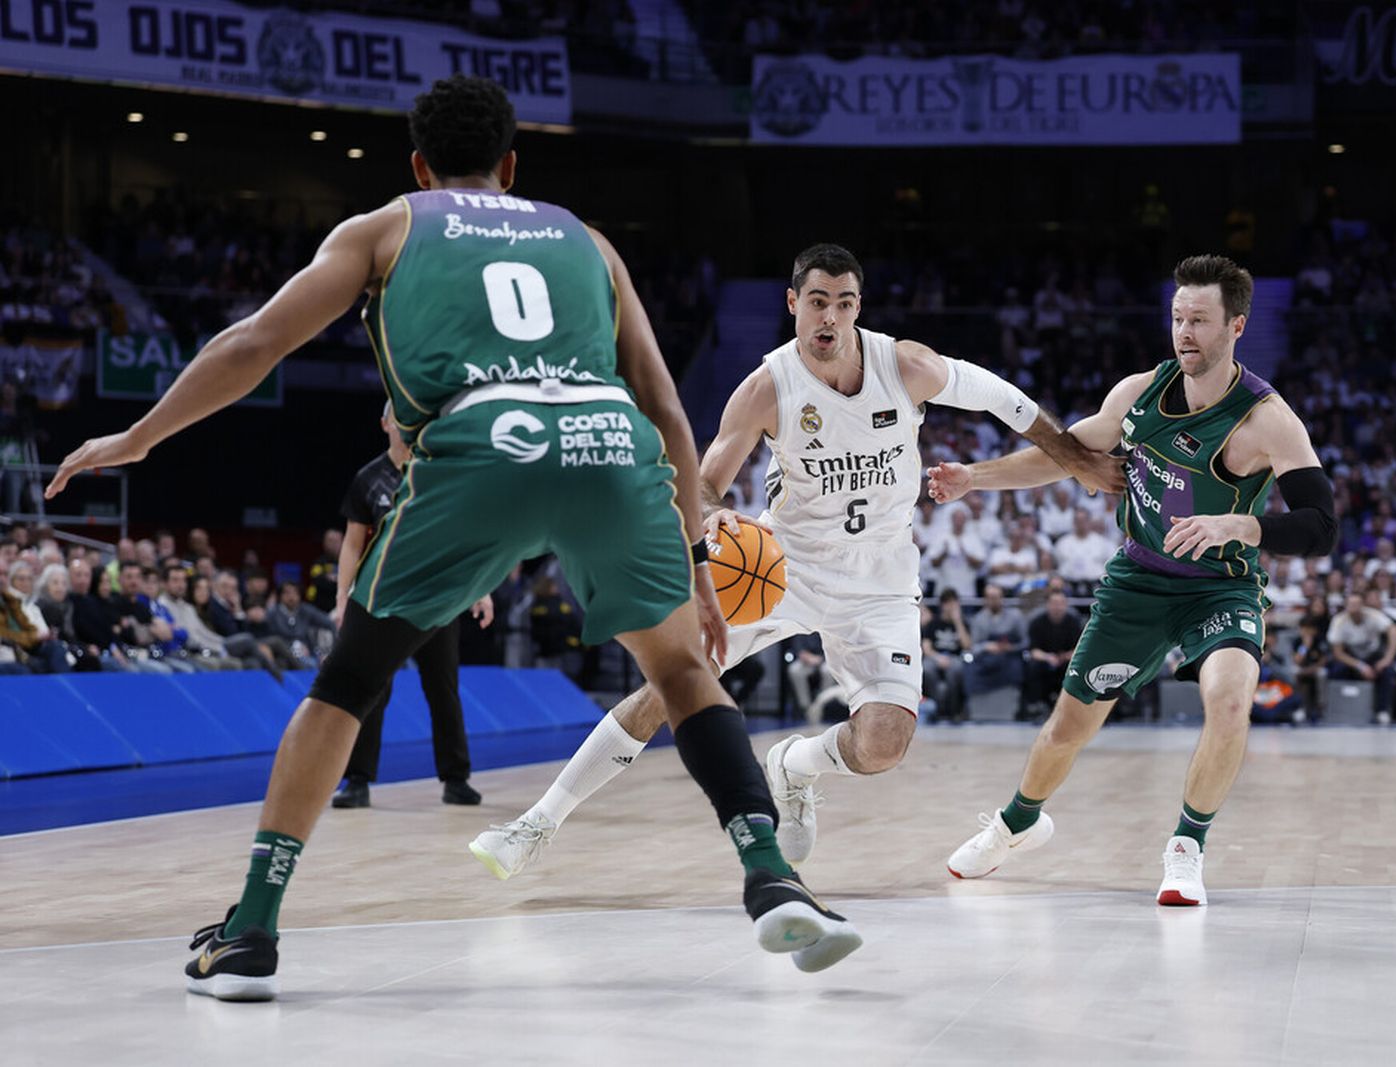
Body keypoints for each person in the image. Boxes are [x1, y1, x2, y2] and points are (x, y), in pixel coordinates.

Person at [47, 75, 860, 1001]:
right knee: (681, 672)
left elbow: (254, 344)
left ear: (418, 166)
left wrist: (139, 435)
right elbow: (667, 408)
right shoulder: (586, 240)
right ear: (511, 166)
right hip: (609, 442)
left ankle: (252, 929)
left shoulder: (385, 228)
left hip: (484, 441)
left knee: (348, 684)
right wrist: (696, 561)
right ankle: (770, 873)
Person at [472, 241, 1121, 875]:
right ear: (793, 304)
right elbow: (706, 481)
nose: (829, 316)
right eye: (817, 301)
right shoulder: (767, 387)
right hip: (782, 568)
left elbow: (1006, 400)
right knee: (668, 686)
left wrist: (1076, 459)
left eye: (843, 303)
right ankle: (535, 823)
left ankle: (795, 765)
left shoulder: (906, 365)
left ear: (859, 307)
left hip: (880, 579)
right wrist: (713, 511)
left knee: (884, 744)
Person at [934, 254, 1336, 905]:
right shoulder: (1138, 393)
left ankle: (1186, 847)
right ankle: (1017, 823)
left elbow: (1321, 526)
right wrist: (971, 478)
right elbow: (1066, 453)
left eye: (1199, 320)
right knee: (1067, 728)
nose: (1184, 332)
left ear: (1236, 325)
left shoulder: (1267, 420)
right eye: (1178, 318)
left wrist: (1240, 526)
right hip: (1139, 581)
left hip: (1220, 588)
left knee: (1230, 701)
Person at [329, 403, 488, 809]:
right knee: (372, 688)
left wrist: (480, 588)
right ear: (384, 423)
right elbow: (352, 544)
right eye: (397, 419)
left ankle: (456, 778)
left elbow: (463, 535)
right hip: (383, 600)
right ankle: (357, 780)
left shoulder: (436, 472)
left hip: (437, 599)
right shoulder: (368, 479)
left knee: (442, 689)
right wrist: (342, 597)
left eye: (411, 420)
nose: (405, 426)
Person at [1327, 591, 1396, 724]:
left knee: (1387, 672)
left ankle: (1382, 711)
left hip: (1373, 655)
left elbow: (1394, 630)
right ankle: (1341, 708)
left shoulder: (1373, 615)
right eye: (1351, 604)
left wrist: (1387, 659)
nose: (1354, 608)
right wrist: (1360, 666)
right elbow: (1338, 652)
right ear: (1346, 606)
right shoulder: (1338, 621)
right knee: (1337, 670)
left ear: (1363, 605)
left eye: (1357, 604)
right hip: (1351, 658)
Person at [1022, 589, 1083, 719]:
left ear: (1066, 605)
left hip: (1067, 661)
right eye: (1054, 603)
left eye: (1061, 603)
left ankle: (1073, 707)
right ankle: (1035, 706)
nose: (1057, 607)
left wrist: (1064, 657)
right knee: (1032, 667)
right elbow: (1033, 650)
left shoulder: (1074, 622)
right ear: (1047, 604)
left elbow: (1080, 649)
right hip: (1045, 660)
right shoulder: (1037, 622)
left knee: (1077, 668)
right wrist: (1048, 657)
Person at [921, 588, 971, 721]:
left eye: (954, 603)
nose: (951, 607)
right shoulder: (933, 623)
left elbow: (967, 646)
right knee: (927, 669)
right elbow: (926, 648)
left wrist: (957, 622)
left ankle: (954, 711)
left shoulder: (963, 623)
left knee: (956, 670)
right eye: (948, 603)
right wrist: (938, 658)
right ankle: (937, 709)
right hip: (935, 657)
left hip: (955, 658)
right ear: (942, 605)